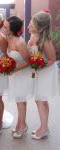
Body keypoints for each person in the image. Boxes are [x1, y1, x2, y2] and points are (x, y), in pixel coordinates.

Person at [28, 11, 58, 139]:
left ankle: (44, 128)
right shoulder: (33, 36)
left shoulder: (45, 41)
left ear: (40, 27)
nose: (29, 23)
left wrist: (38, 65)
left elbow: (52, 60)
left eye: (32, 23)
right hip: (39, 70)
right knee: (40, 99)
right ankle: (43, 126)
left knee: (40, 99)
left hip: (45, 71)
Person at [3, 16, 33, 138]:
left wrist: (15, 69)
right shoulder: (8, 38)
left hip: (22, 74)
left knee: (21, 101)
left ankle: (22, 127)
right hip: (15, 74)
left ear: (12, 29)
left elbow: (29, 61)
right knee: (18, 100)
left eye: (5, 27)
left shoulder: (20, 42)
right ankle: (21, 123)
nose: (3, 28)